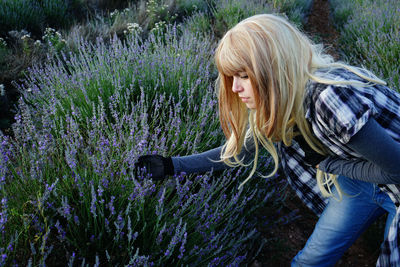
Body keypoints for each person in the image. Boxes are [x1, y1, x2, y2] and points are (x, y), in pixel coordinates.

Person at [137, 14, 400, 266]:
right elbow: (238, 153)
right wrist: (172, 166)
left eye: (243, 76)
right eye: (231, 78)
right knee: (309, 262)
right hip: (359, 184)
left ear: (273, 68)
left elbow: (397, 170)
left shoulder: (327, 98)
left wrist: (329, 165)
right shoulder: (280, 102)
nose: (235, 88)